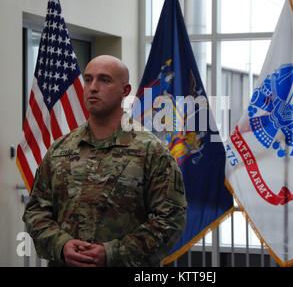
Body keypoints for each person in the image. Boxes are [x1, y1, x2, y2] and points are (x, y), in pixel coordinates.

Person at [22, 55, 187, 267]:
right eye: (88, 80)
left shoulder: (151, 151)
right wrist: (61, 245)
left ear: (124, 91)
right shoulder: (60, 149)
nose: (93, 87)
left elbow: (170, 220)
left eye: (104, 80)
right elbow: (36, 210)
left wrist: (112, 253)